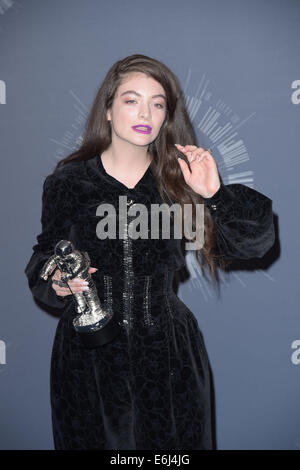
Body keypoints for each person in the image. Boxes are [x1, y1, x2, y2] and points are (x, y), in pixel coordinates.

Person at [24, 54, 275, 450]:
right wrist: (55, 279)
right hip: (87, 355)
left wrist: (215, 195)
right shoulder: (67, 182)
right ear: (107, 109)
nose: (146, 112)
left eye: (157, 103)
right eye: (131, 100)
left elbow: (254, 241)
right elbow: (43, 257)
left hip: (170, 355)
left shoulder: (180, 179)